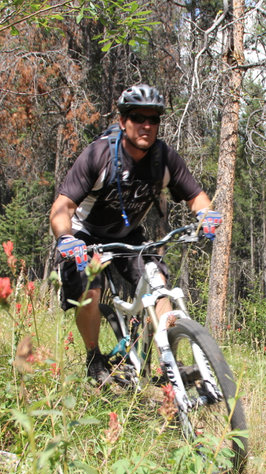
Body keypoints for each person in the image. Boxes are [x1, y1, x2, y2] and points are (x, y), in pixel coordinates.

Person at [49, 84, 222, 384]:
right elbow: (61, 207)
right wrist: (66, 238)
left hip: (128, 235)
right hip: (85, 234)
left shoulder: (163, 158)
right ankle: (94, 359)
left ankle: (170, 361)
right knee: (91, 289)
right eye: (137, 116)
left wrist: (206, 216)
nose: (146, 124)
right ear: (122, 121)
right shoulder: (99, 155)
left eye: (153, 119)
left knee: (158, 284)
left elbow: (196, 196)